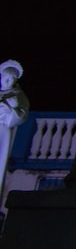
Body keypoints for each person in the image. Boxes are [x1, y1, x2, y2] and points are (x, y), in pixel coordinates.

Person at [0, 60, 29, 196]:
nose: (7, 82)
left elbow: (20, 115)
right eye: (5, 78)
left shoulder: (17, 95)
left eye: (11, 79)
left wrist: (8, 109)